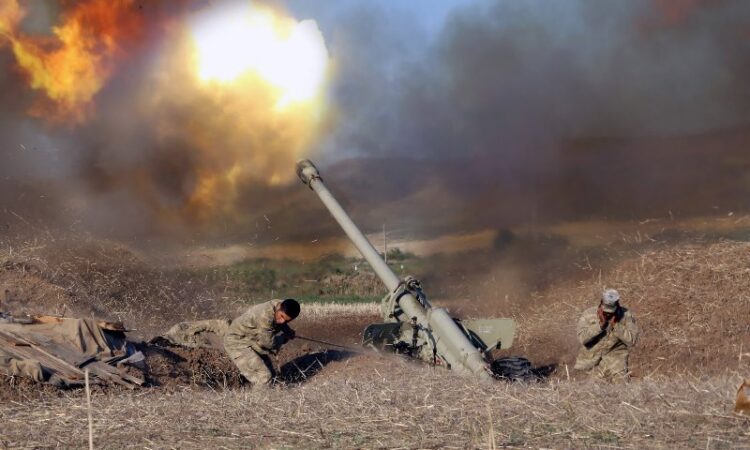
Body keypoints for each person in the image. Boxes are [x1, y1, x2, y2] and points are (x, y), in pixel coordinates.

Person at [223, 298, 299, 389]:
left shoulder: (281, 305)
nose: (282, 321)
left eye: (286, 320)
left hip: (251, 341)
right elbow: (269, 343)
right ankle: (255, 398)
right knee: (264, 377)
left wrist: (288, 331)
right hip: (236, 342)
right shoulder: (265, 316)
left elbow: (280, 322)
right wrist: (284, 338)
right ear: (279, 307)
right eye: (281, 316)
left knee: (272, 378)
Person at [574, 289, 639, 381]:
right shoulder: (588, 314)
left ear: (617, 305)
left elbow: (631, 340)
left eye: (611, 312)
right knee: (585, 384)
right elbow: (582, 338)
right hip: (589, 359)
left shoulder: (626, 315)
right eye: (605, 312)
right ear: (601, 304)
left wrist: (615, 325)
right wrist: (600, 326)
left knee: (620, 383)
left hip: (615, 359)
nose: (608, 314)